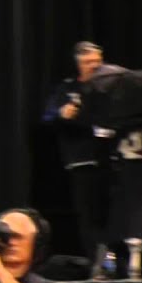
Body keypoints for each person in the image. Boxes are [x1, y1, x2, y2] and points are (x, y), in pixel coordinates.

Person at [43, 42, 113, 258]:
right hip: (83, 161)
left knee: (115, 212)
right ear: (78, 63)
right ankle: (98, 262)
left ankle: (120, 258)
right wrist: (62, 115)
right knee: (89, 215)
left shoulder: (112, 86)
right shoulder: (68, 89)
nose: (94, 66)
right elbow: (48, 118)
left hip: (113, 159)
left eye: (97, 61)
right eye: (88, 62)